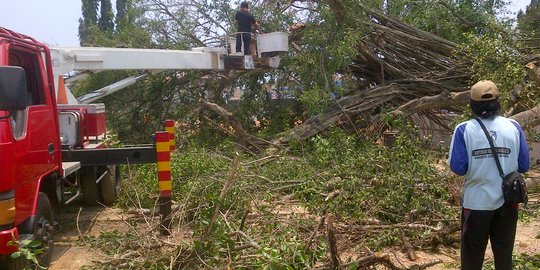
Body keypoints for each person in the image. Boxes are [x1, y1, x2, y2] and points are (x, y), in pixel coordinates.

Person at [448, 80, 530, 270]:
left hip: (476, 204)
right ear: (498, 101)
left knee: (472, 259)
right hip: (508, 203)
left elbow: (458, 167)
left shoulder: (464, 129)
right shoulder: (514, 126)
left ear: (472, 104)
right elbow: (524, 165)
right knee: (504, 258)